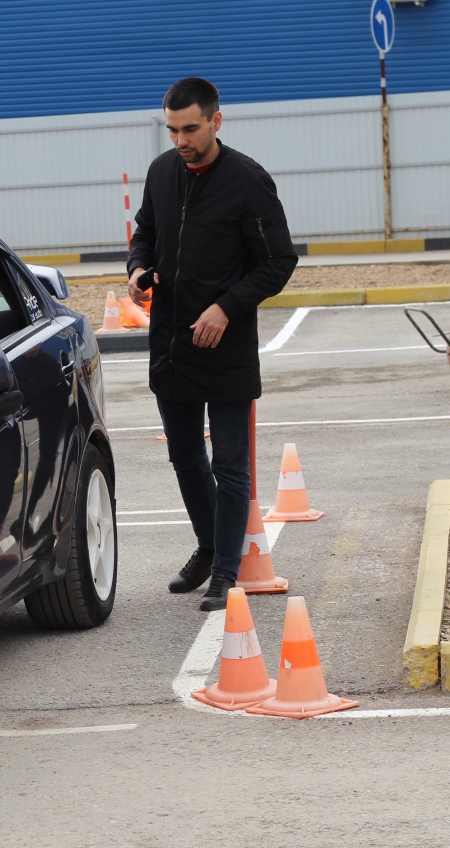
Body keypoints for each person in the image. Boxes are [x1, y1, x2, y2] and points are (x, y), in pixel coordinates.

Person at [126, 78, 297, 611]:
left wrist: (226, 307)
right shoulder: (161, 172)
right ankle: (208, 547)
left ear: (217, 121)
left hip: (225, 344)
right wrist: (137, 269)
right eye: (173, 129)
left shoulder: (248, 181)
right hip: (172, 342)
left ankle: (228, 569)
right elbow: (145, 233)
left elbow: (278, 261)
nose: (181, 140)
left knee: (229, 461)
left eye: (191, 128)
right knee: (184, 455)